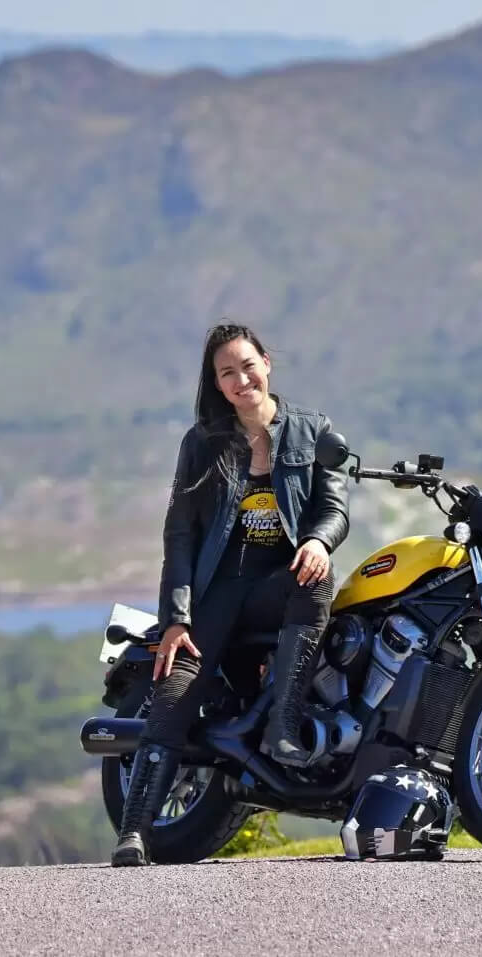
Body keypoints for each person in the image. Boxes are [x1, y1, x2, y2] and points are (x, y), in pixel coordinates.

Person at [112, 321, 350, 867]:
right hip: (218, 587)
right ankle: (134, 831)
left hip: (278, 579)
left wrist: (317, 540)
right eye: (227, 373)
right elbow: (180, 534)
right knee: (175, 692)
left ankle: (283, 726)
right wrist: (176, 619)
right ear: (217, 385)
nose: (242, 379)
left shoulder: (312, 431)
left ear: (267, 363)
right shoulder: (201, 445)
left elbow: (333, 508)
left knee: (319, 581)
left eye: (248, 366)